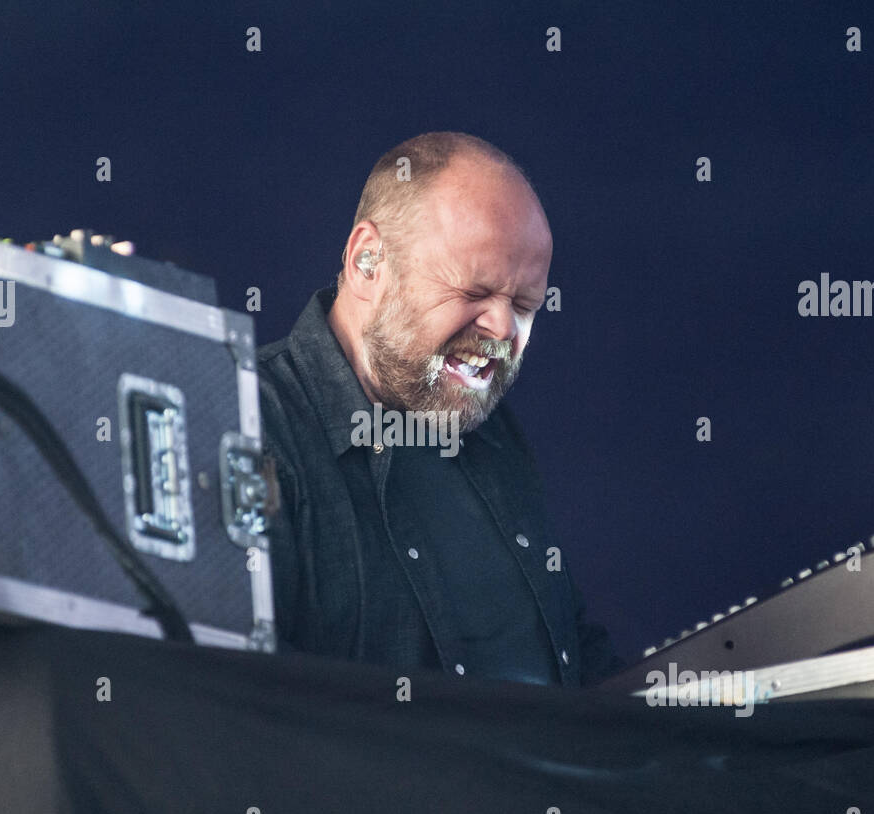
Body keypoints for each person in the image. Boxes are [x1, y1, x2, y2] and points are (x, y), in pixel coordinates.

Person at [258, 131, 621, 687]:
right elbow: (231, 722)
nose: (503, 329)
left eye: (525, 305)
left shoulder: (494, 435)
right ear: (367, 262)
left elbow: (579, 656)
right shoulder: (251, 425)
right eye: (474, 292)